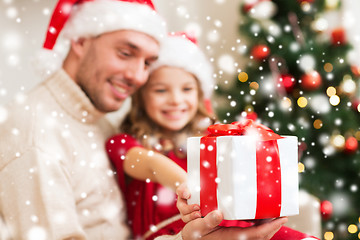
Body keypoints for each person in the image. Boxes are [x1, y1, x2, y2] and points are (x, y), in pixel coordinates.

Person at [0, 0, 290, 239]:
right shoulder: (36, 138)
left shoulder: (96, 118)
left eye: (148, 63)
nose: (138, 77)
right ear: (79, 40)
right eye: (125, 53)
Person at [106, 32, 217, 239]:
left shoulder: (209, 142)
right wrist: (191, 190)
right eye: (160, 90)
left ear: (199, 94)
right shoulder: (123, 144)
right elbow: (153, 165)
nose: (176, 100)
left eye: (187, 89)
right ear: (141, 97)